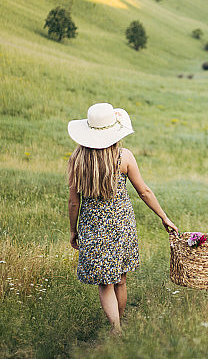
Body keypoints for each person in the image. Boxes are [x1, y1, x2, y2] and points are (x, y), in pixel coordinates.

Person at [67, 102, 178, 333]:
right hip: (121, 226)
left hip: (92, 228)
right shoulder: (123, 157)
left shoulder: (77, 160)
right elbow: (144, 191)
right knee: (120, 279)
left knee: (105, 283)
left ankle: (115, 327)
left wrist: (73, 230)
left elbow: (73, 202)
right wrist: (164, 217)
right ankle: (121, 323)